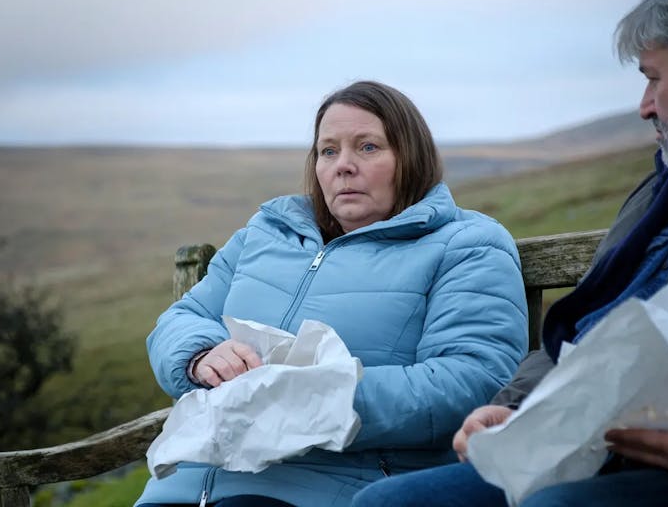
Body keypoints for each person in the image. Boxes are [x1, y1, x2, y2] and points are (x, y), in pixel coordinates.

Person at [351, 0, 668, 506]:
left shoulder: (468, 245)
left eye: (654, 77)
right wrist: (519, 407)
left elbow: (462, 373)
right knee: (384, 503)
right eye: (327, 150)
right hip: (598, 450)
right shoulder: (664, 197)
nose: (644, 105)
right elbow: (582, 330)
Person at [135, 80, 528, 507]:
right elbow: (181, 318)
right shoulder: (267, 233)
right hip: (186, 486)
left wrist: (319, 397)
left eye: (368, 147)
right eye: (328, 150)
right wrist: (201, 356)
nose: (343, 165)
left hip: (332, 486)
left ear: (410, 158)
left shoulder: (466, 244)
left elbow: (472, 379)